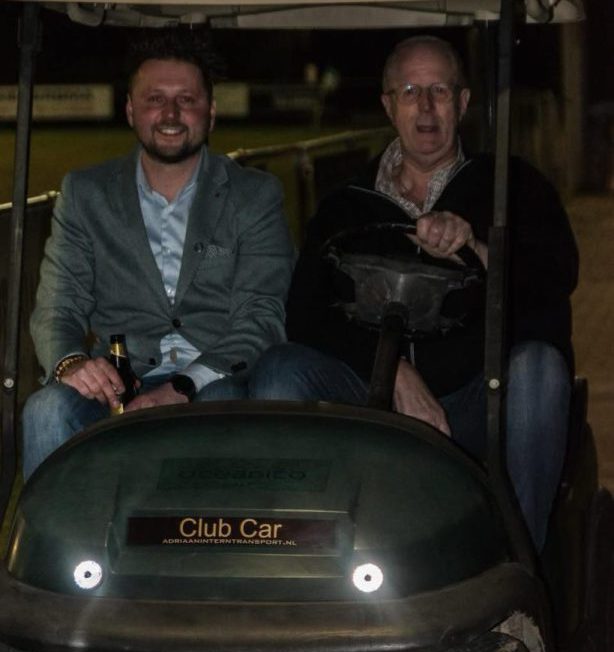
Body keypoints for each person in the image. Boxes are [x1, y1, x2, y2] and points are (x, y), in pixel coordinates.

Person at [249, 35, 579, 551]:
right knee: (277, 372)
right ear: (388, 105)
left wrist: (479, 247)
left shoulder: (512, 186)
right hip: (369, 394)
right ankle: (306, 553)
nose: (425, 107)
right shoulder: (345, 204)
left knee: (539, 367)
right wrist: (391, 371)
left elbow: (555, 279)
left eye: (439, 91)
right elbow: (306, 315)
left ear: (463, 103)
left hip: (473, 399)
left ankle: (520, 561)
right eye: (409, 91)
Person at [22, 29, 294, 479]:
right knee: (47, 410)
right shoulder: (86, 193)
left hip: (214, 378)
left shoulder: (254, 195)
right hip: (119, 381)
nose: (170, 114)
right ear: (131, 110)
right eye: (154, 99)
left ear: (211, 112)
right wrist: (72, 363)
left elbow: (261, 316)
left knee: (221, 404)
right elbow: (57, 306)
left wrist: (183, 384)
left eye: (186, 99)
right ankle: (59, 529)